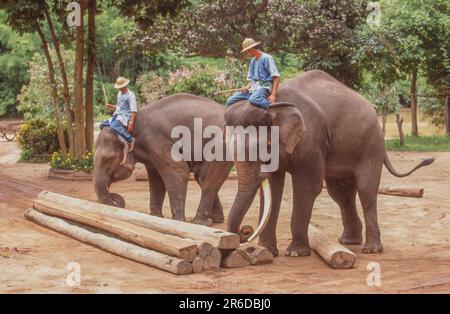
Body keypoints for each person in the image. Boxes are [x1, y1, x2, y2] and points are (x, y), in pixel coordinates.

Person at [226, 38, 281, 109]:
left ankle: (273, 109)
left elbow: (276, 77)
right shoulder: (253, 61)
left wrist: (273, 95)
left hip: (264, 87)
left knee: (253, 99)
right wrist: (246, 87)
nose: (246, 54)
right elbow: (251, 80)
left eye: (246, 51)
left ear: (251, 49)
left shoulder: (267, 58)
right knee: (230, 100)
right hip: (253, 88)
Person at [100, 76, 137, 168]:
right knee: (102, 125)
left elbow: (133, 110)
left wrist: (131, 122)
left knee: (113, 126)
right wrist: (111, 106)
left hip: (124, 115)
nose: (120, 88)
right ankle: (116, 141)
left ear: (125, 85)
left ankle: (130, 140)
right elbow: (119, 106)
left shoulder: (130, 95)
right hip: (117, 113)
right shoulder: (119, 94)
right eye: (119, 87)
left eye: (121, 86)